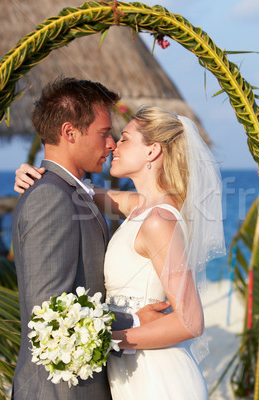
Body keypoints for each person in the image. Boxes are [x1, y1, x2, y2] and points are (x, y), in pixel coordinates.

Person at [15, 106, 225, 399]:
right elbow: (75, 189)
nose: (113, 145)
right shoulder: (139, 206)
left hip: (156, 378)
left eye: (125, 139)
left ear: (152, 151)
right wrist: (36, 174)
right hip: (129, 374)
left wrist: (102, 340)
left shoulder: (158, 221)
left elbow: (190, 321)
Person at [11, 78, 169, 400]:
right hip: (60, 390)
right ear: (70, 132)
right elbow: (49, 314)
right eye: (103, 133)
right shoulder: (51, 198)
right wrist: (135, 319)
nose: (111, 144)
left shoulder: (70, 192)